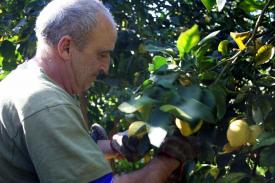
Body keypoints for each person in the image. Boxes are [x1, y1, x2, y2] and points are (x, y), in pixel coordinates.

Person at [0, 0, 197, 182]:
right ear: (66, 47)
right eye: (102, 54)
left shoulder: (23, 81)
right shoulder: (47, 103)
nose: (106, 67)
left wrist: (111, 146)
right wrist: (166, 161)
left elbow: (52, 155)